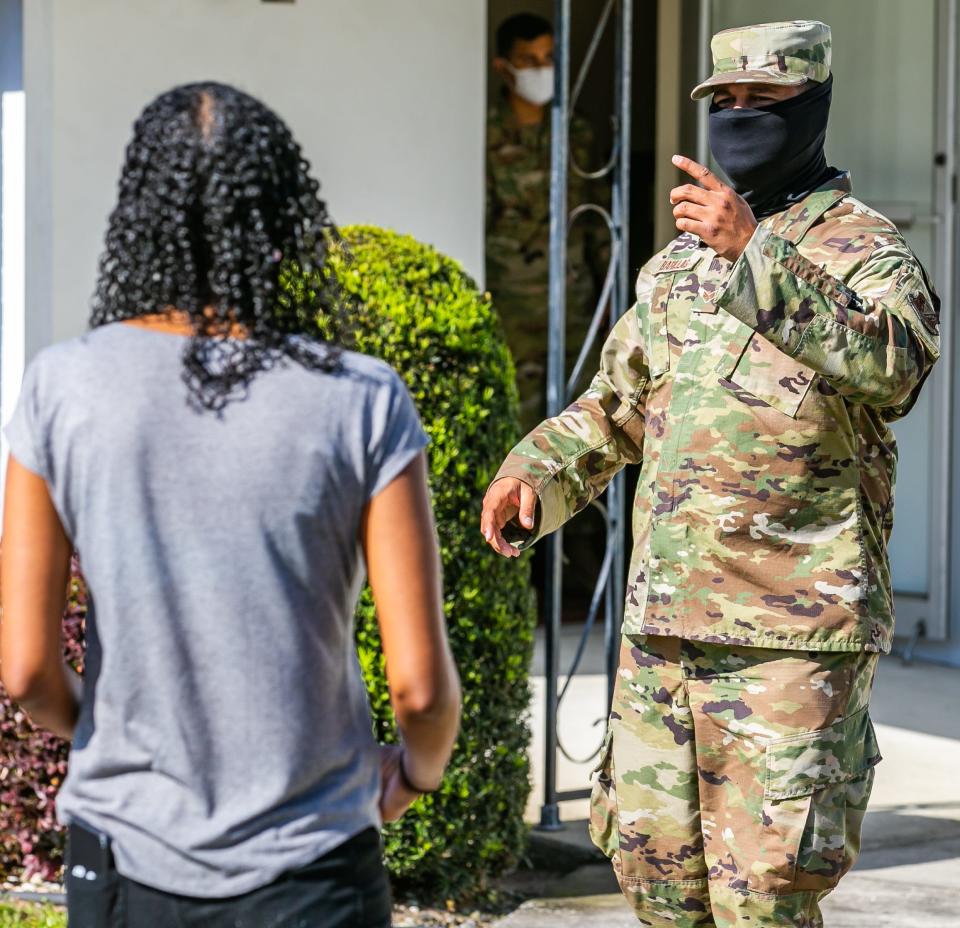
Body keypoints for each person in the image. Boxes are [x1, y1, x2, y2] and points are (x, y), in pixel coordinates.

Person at [482, 20, 939, 928]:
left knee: (764, 903)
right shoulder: (675, 267)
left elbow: (894, 368)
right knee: (659, 890)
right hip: (665, 637)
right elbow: (614, 408)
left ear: (810, 110)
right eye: (722, 102)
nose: (736, 120)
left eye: (759, 103)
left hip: (789, 644)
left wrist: (753, 256)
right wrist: (536, 471)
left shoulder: (866, 250)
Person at [0, 82, 461, 928]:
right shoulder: (360, 397)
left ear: (140, 211)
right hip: (314, 861)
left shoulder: (59, 389)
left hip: (121, 856)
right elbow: (421, 690)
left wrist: (111, 746)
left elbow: (25, 668)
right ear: (286, 217)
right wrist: (416, 776)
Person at [487, 12, 603, 434]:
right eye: (529, 60)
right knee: (519, 420)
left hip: (575, 301)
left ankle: (584, 505)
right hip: (512, 306)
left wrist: (611, 293)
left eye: (549, 57)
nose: (542, 68)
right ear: (504, 67)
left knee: (585, 422)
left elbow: (596, 216)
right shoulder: (484, 133)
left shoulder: (576, 132)